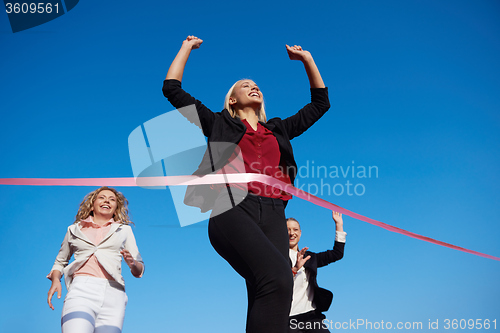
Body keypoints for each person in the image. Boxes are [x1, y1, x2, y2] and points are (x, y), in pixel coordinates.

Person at [162, 36, 330, 333]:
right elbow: (172, 90)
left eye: (257, 85)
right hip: (232, 208)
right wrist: (186, 48)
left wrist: (307, 60)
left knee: (270, 291)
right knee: (279, 278)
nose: (254, 86)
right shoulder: (219, 123)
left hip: (274, 213)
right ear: (232, 100)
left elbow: (320, 104)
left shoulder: (278, 129)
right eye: (245, 85)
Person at [47, 186, 144, 333]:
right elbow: (60, 261)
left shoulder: (124, 230)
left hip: (114, 293)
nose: (107, 201)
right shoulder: (74, 230)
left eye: (112, 199)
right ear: (92, 204)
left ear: (116, 208)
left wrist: (132, 264)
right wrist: (55, 280)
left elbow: (139, 270)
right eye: (102, 197)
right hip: (81, 290)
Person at [288, 212, 346, 333]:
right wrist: (294, 269)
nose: (292, 233)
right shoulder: (277, 258)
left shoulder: (309, 258)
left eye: (295, 229)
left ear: (300, 233)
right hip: (288, 319)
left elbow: (337, 254)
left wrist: (338, 225)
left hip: (311, 317)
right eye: (287, 229)